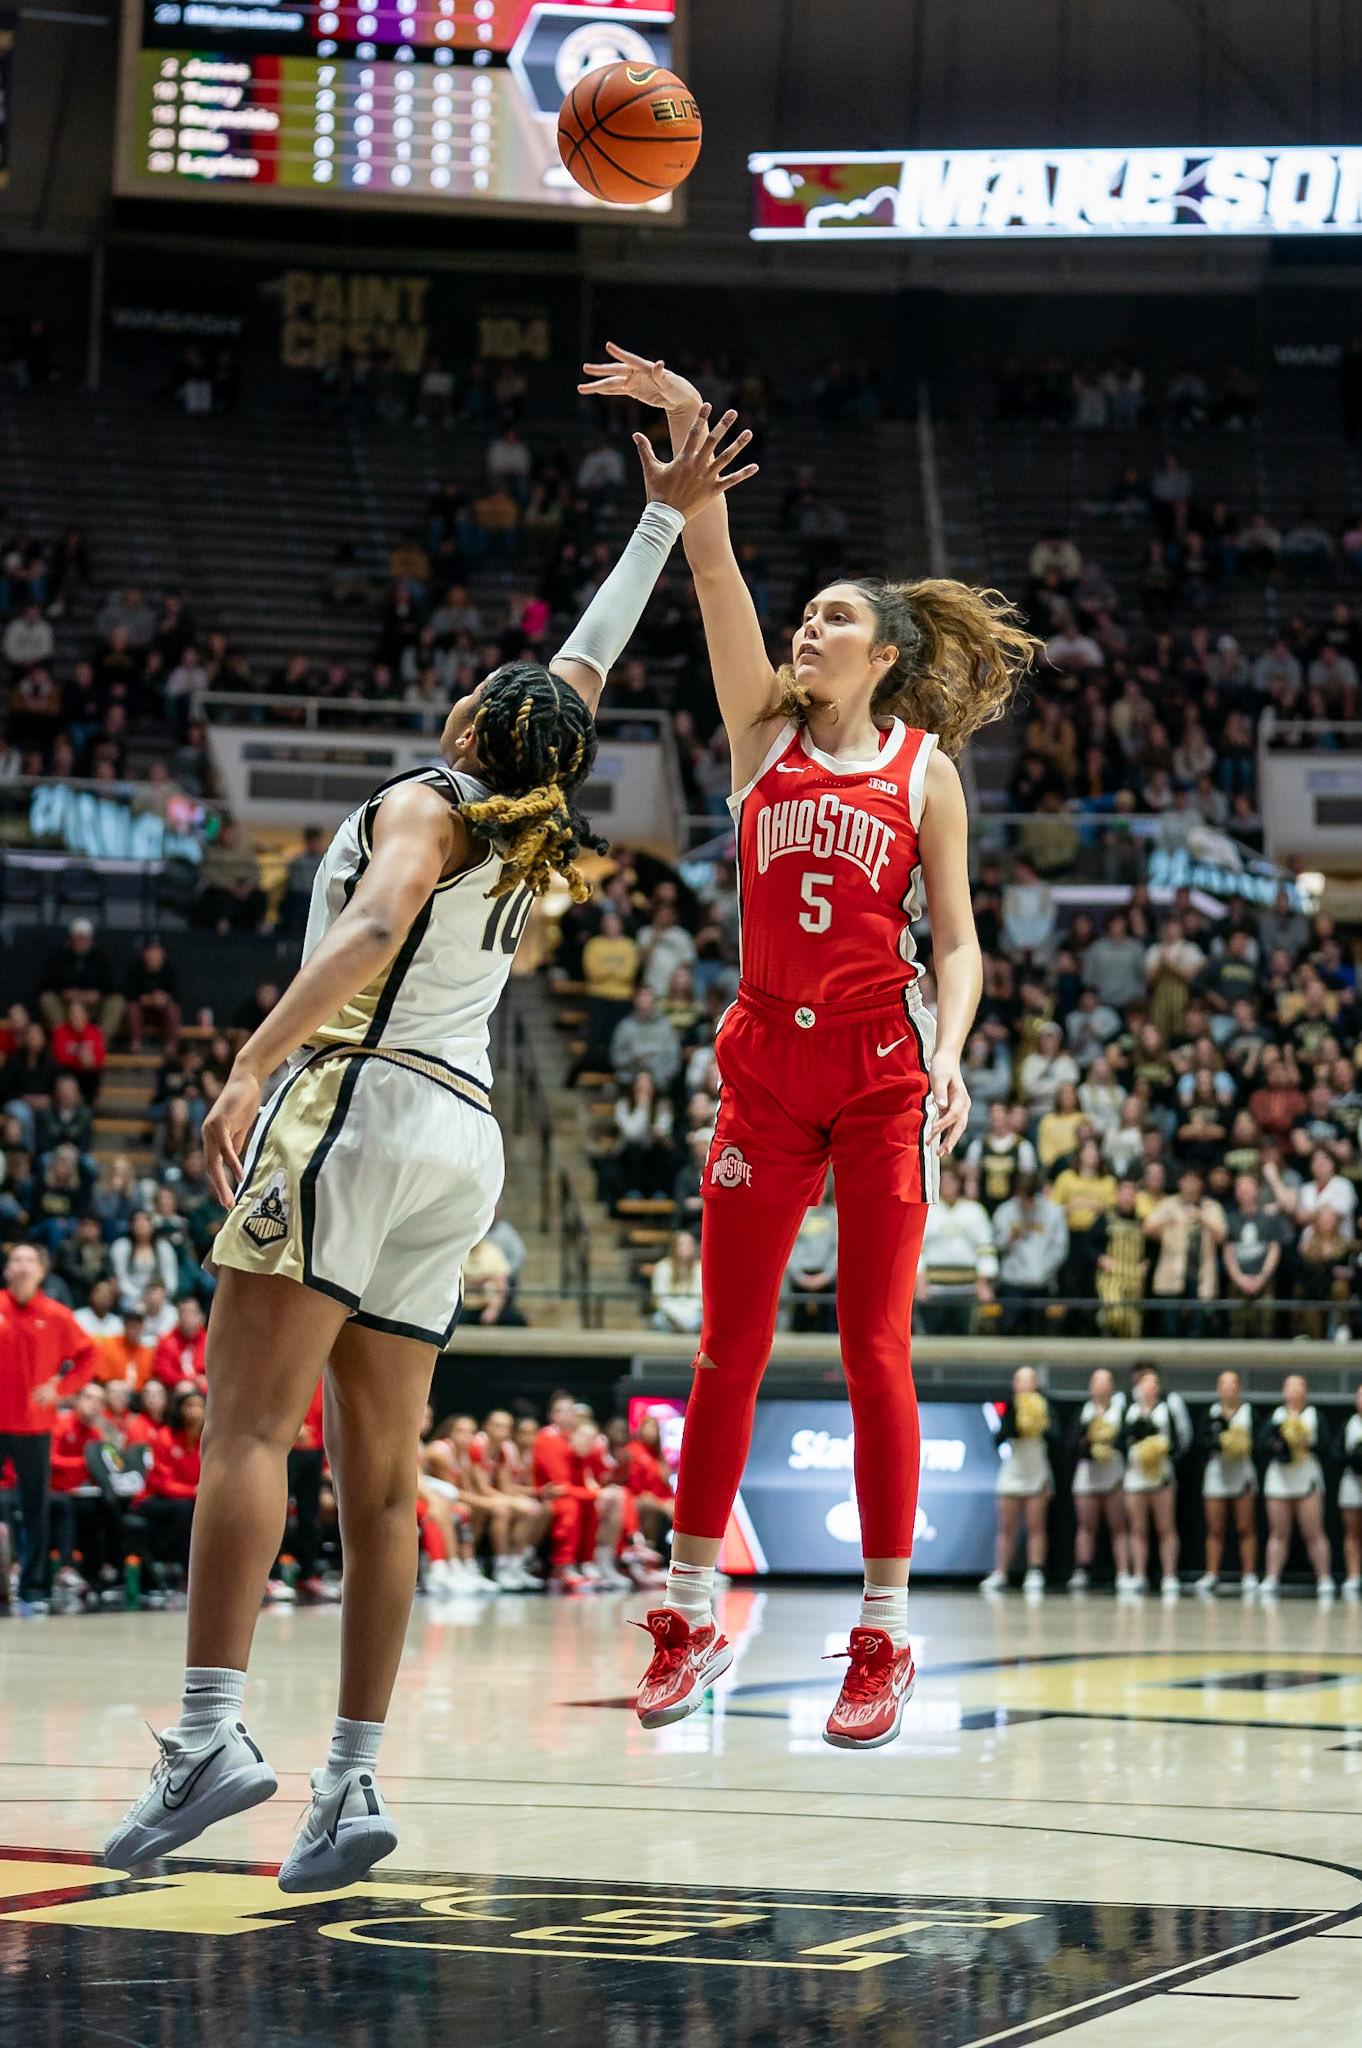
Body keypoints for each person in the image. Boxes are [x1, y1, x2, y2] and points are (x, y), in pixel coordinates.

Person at [103, 405, 753, 1888]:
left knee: (247, 1436)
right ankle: (351, 1781)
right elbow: (571, 681)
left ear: (466, 731)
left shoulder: (430, 798)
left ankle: (210, 1735)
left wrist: (249, 1061)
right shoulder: (532, 813)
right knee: (383, 1484)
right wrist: (659, 519)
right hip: (461, 1146)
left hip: (357, 1101)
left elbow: (381, 918)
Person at [582, 341, 1037, 1749]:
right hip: (761, 1071)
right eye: (810, 616)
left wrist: (952, 1051)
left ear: (883, 654)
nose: (808, 630)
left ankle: (882, 1637)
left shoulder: (923, 772)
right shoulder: (754, 738)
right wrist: (679, 440)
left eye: (834, 619)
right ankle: (681, 1618)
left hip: (879, 1072)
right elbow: (716, 576)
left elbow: (955, 941)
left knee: (872, 1350)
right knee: (723, 1350)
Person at [0, 1242, 98, 1609]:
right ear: (7, 1270)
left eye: (29, 1260)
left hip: (34, 1426)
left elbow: (89, 1354)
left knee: (36, 1508)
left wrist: (62, 1388)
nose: (22, 1266)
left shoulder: (56, 1315)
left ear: (41, 1273)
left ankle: (33, 1586)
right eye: (16, 1260)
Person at [980, 1366, 1055, 1596]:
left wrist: (1038, 1423)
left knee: (1036, 1525)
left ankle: (1035, 1571)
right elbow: (998, 1438)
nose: (1023, 1385)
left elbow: (1057, 1436)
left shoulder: (1046, 1406)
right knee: (1007, 1526)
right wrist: (1014, 1424)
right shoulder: (1009, 1406)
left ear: (1036, 1384)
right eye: (1019, 1380)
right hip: (1013, 1469)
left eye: (1028, 1380)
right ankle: (1000, 1572)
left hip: (1036, 1468)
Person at [1259, 1373, 1333, 1599]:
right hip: (1280, 1480)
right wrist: (1279, 1444)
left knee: (1314, 1532)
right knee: (1278, 1533)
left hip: (1307, 1479)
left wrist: (1304, 1442)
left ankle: (1324, 1577)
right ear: (1283, 1392)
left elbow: (1325, 1445)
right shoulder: (1276, 1416)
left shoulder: (1314, 1415)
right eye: (1289, 1387)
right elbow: (1262, 1443)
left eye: (1298, 1387)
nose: (1293, 1392)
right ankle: (1272, 1577)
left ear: (1306, 1392)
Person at [1121, 1365, 1192, 1598]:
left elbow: (1181, 1438)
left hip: (1162, 1476)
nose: (1150, 1388)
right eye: (1145, 1384)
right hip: (1135, 1477)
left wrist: (1164, 1453)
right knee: (1137, 1528)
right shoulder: (1129, 1411)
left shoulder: (1167, 1408)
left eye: (1154, 1384)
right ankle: (1139, 1574)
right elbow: (1121, 1440)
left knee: (1166, 1527)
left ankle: (1169, 1575)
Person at [1068, 1366, 1131, 1592]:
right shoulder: (1084, 1411)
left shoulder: (1122, 1410)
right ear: (1091, 1386)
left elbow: (1127, 1440)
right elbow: (1071, 1443)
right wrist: (1087, 1443)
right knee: (1086, 1526)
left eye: (1107, 1382)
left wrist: (1110, 1443)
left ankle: (1123, 1572)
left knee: (1118, 1525)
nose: (1102, 1387)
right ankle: (1082, 1569)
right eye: (1098, 1382)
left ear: (1112, 1387)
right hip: (1087, 1474)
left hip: (1113, 1474)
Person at [1196, 1369, 1258, 1598]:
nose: (1230, 1389)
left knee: (1245, 1526)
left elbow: (1259, 1442)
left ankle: (1249, 1574)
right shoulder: (1210, 1413)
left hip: (1242, 1473)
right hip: (1217, 1473)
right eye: (1225, 1384)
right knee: (1215, 1528)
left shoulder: (1249, 1412)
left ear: (1239, 1388)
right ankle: (1211, 1573)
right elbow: (1200, 1442)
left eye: (1234, 1384)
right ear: (1218, 1389)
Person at [1339, 1383, 1362, 1601]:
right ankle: (1354, 1575)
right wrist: (1353, 1457)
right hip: (1353, 1483)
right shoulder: (1349, 1424)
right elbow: (1336, 1454)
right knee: (1353, 1532)